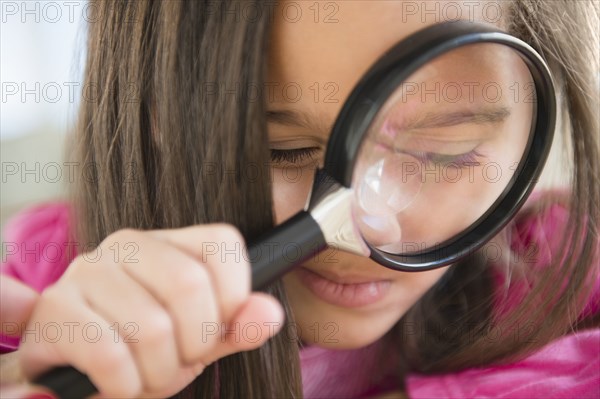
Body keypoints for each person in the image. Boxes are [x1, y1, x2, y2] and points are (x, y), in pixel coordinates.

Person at [1, 1, 598, 398]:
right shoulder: (36, 294)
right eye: (282, 149)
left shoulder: (575, 274)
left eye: (448, 152)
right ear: (152, 118)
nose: (374, 227)